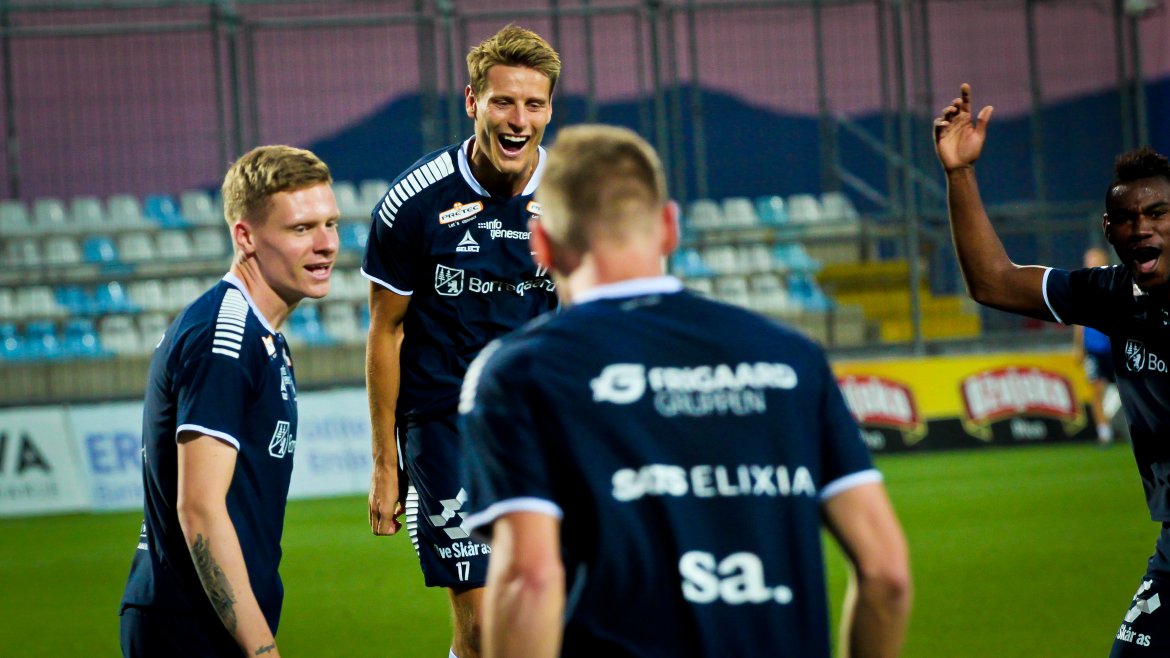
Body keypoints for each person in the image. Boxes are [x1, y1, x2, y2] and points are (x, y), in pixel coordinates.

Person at [457, 124, 912, 658]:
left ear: (542, 244)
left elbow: (529, 580)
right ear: (670, 227)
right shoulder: (792, 357)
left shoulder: (518, 373)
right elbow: (887, 575)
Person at [934, 83, 1170, 656]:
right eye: (1126, 217)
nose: (1141, 227)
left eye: (1158, 213)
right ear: (1108, 231)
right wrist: (960, 174)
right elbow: (992, 281)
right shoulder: (1113, 294)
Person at [361, 24, 561, 658]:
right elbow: (386, 331)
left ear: (549, 110)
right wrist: (385, 465)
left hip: (540, 421)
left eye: (533, 104)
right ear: (472, 102)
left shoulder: (572, 198)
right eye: (503, 102)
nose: (518, 120)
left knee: (548, 612)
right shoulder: (413, 203)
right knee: (481, 629)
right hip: (443, 421)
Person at [119, 145, 339, 657]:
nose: (327, 244)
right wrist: (262, 651)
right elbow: (199, 507)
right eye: (301, 229)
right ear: (245, 236)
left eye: (331, 224)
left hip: (210, 622)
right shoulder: (225, 339)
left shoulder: (258, 335)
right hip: (188, 627)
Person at [1073, 247, 1119, 445]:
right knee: (1096, 391)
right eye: (1088, 260)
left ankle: (1137, 428)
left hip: (1115, 348)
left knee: (1128, 389)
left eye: (1094, 259)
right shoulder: (1082, 288)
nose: (1090, 263)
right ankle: (1104, 433)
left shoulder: (1115, 284)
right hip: (1093, 349)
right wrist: (1078, 347)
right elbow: (1078, 322)